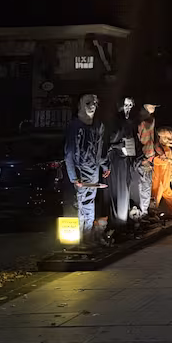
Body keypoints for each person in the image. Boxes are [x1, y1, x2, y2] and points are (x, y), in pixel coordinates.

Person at [64, 94, 109, 247]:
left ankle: (87, 236)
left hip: (93, 170)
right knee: (79, 204)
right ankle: (77, 240)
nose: (92, 106)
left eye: (95, 103)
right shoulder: (75, 127)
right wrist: (73, 176)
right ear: (80, 105)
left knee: (89, 203)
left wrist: (103, 165)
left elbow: (98, 149)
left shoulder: (98, 125)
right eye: (88, 103)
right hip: (81, 170)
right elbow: (69, 153)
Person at [105, 97, 139, 238]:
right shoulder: (114, 122)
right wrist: (116, 145)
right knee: (117, 189)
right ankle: (117, 221)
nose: (128, 108)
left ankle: (123, 220)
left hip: (126, 159)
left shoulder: (128, 122)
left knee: (125, 188)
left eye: (130, 105)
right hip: (115, 160)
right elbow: (109, 140)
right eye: (125, 105)